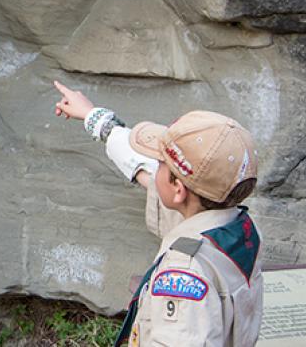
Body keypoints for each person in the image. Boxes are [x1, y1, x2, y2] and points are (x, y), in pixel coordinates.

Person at [52, 81, 263, 346]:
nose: (154, 169)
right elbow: (142, 171)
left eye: (160, 163)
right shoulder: (234, 229)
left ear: (178, 189)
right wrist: (94, 118)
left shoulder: (185, 273)